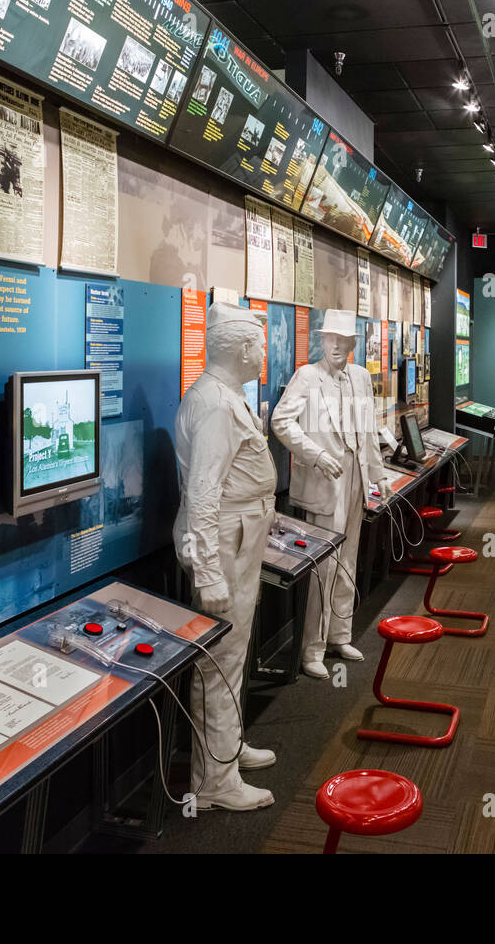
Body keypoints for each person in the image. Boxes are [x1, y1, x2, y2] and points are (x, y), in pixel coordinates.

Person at [173, 303, 277, 812]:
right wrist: (210, 572)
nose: (264, 353)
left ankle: (227, 749)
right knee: (221, 659)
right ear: (241, 349)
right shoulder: (216, 403)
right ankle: (216, 779)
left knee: (233, 653)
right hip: (226, 540)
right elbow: (203, 493)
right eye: (258, 344)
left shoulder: (224, 396)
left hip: (241, 535)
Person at [272, 308, 392, 679]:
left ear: (354, 343)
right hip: (325, 482)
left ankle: (340, 634)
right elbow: (280, 421)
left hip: (354, 478)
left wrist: (378, 473)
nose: (337, 346)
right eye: (331, 339)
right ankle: (312, 648)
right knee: (323, 566)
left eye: (344, 340)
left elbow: (368, 429)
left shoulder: (358, 376)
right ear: (322, 341)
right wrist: (316, 454)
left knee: (348, 559)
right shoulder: (307, 377)